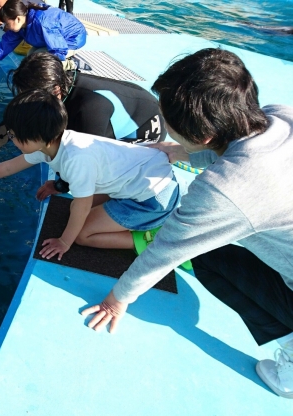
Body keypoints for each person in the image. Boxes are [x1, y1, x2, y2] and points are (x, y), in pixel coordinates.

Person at [79, 48, 293, 399]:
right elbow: (230, 146)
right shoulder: (279, 115)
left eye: (171, 125)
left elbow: (166, 250)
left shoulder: (226, 190)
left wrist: (118, 299)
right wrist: (177, 151)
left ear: (204, 135)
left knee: (204, 256)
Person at [0, 89, 179, 260]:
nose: (10, 138)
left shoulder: (76, 158)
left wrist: (64, 241)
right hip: (141, 179)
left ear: (37, 137)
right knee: (75, 210)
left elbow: (82, 203)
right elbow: (9, 167)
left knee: (82, 234)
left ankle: (150, 238)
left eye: (13, 134)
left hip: (153, 199)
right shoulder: (52, 142)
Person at [0, 52, 166, 199]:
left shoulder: (88, 109)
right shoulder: (57, 89)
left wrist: (61, 185)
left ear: (55, 90)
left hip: (145, 129)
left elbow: (87, 158)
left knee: (101, 174)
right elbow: (20, 117)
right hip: (130, 109)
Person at [0, 0, 87, 82]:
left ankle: (71, 63)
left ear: (18, 19)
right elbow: (4, 46)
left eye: (7, 24)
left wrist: (51, 69)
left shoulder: (43, 22)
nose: (6, 27)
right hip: (52, 40)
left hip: (71, 40)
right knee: (30, 57)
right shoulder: (21, 23)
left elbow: (58, 49)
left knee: (39, 63)